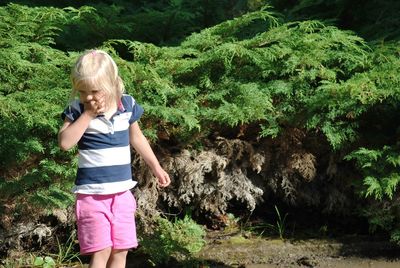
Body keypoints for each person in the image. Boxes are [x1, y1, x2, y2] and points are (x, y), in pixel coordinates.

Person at [58, 49, 171, 268]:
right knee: (101, 252)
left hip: (121, 193)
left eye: (95, 91)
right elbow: (65, 143)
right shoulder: (77, 110)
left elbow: (137, 138)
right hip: (92, 196)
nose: (88, 97)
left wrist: (156, 166)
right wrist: (88, 115)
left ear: (111, 84)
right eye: (82, 91)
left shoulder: (126, 105)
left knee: (120, 251)